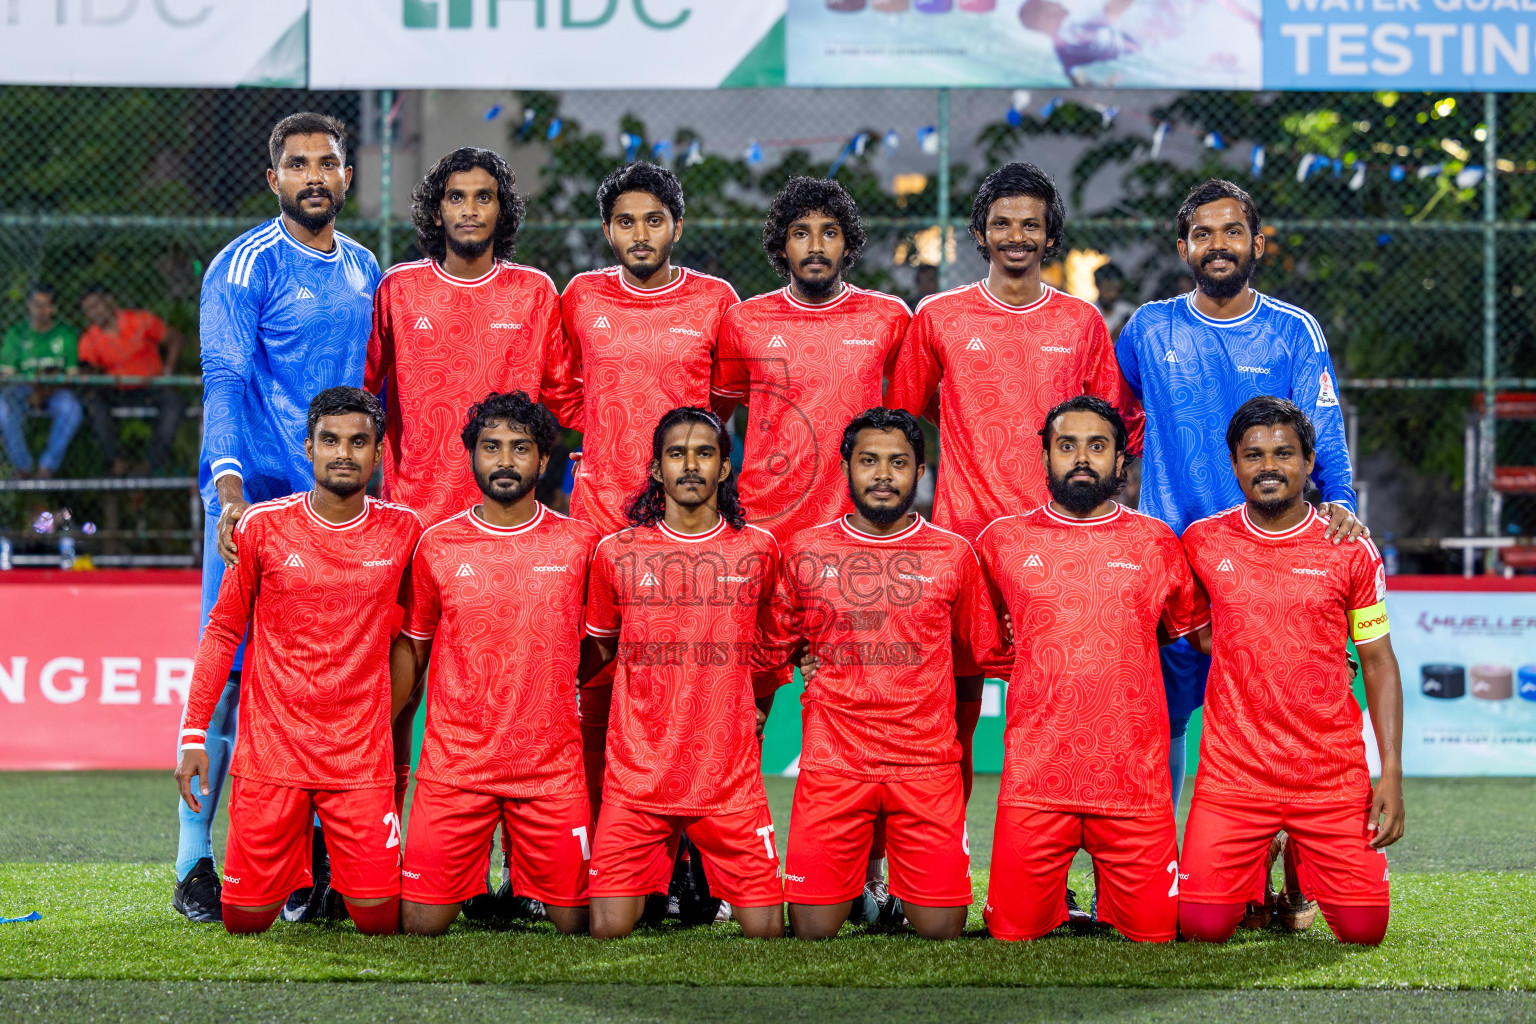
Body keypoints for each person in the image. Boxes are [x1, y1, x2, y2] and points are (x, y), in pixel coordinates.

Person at [1113, 179, 1366, 924]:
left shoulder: (1293, 332)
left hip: (1265, 569)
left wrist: (1342, 507)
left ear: (1258, 243)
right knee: (1158, 731)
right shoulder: (1147, 331)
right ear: (1182, 247)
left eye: (1233, 232)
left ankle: (1277, 885)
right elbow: (1121, 417)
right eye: (1203, 233)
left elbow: (1324, 435)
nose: (1217, 245)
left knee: (1275, 725)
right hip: (1167, 568)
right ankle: (1153, 880)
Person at [175, 111, 382, 925]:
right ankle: (195, 862)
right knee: (226, 680)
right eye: (297, 164)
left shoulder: (366, 269)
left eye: (327, 162)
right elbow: (223, 382)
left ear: (346, 175)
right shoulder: (243, 265)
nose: (314, 176)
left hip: (338, 514)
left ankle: (306, 867)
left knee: (332, 682)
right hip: (255, 507)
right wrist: (227, 491)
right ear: (274, 180)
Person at [173, 387, 422, 936]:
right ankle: (293, 871)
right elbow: (221, 633)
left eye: (358, 442)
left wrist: (381, 720)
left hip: (357, 764)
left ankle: (326, 868)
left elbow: (415, 639)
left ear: (378, 454)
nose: (343, 453)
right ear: (307, 447)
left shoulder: (406, 532)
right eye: (330, 440)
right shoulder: (261, 526)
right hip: (271, 759)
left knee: (380, 921)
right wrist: (193, 736)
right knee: (244, 921)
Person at [975, 396, 1208, 942]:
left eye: (1097, 446)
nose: (1082, 458)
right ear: (1047, 457)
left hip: (1134, 786)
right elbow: (965, 633)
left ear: (1121, 462)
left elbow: (1204, 635)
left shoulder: (1157, 543)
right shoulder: (1000, 543)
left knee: (1155, 935)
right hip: (1036, 783)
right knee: (1012, 934)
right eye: (1067, 446)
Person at [549, 162, 738, 835]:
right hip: (600, 518)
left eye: (653, 220)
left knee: (688, 688)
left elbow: (726, 401)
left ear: (676, 227)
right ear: (607, 230)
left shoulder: (717, 300)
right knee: (594, 682)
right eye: (625, 221)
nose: (640, 233)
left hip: (688, 525)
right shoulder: (579, 296)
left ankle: (690, 854)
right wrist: (603, 431)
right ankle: (604, 840)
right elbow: (560, 386)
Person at [1178, 397, 1403, 946]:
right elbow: (1204, 632)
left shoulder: (1347, 547)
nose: (1268, 466)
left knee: (1363, 930)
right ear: (1234, 465)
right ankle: (1259, 863)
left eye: (1284, 453)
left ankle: (1299, 857)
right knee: (1202, 926)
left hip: (1329, 775)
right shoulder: (1204, 543)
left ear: (1307, 462)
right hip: (1236, 774)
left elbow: (1377, 658)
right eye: (1253, 455)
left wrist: (1391, 771)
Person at [772, 408, 1003, 941]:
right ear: (846, 468)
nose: (883, 475)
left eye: (898, 463)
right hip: (834, 761)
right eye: (869, 461)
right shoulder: (806, 551)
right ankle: (854, 881)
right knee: (811, 930)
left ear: (920, 472)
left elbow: (987, 648)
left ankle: (897, 884)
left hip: (925, 764)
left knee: (942, 929)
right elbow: (771, 643)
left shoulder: (954, 554)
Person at [391, 391, 598, 936]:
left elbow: (602, 642)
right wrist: (379, 724)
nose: (505, 461)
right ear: (472, 457)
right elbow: (413, 648)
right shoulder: (437, 544)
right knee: (418, 926)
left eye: (520, 448)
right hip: (455, 769)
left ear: (544, 460)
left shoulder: (580, 544)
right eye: (492, 448)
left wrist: (553, 683)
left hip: (550, 771)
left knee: (580, 926)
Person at [579, 406, 790, 940]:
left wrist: (760, 705)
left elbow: (772, 643)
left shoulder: (759, 550)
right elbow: (599, 648)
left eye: (704, 454)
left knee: (767, 932)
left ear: (724, 468)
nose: (690, 465)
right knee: (606, 930)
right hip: (636, 780)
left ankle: (696, 878)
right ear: (656, 470)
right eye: (677, 454)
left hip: (729, 781)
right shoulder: (616, 553)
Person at [886, 161, 1142, 546]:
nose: (1016, 236)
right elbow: (898, 418)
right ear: (980, 232)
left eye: (1031, 225)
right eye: (1002, 223)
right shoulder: (938, 315)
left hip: (1059, 531)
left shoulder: (1081, 320)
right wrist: (957, 420)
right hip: (965, 531)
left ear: (1050, 237)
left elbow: (1119, 424)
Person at [365, 147, 564, 527]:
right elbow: (363, 387)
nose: (469, 209)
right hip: (414, 510)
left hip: (505, 508)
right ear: (437, 212)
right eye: (456, 197)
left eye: (483, 197)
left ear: (500, 212)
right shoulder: (398, 288)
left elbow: (566, 395)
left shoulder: (535, 292)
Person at [712, 176, 911, 542]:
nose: (816, 246)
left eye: (830, 233)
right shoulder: (744, 320)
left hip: (854, 521)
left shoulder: (889, 317)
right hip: (765, 521)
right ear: (782, 245)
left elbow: (909, 409)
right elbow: (717, 410)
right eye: (801, 233)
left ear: (847, 243)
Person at [77, 284, 186, 476]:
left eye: (96, 305)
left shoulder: (140, 320)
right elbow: (87, 368)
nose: (92, 313)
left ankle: (151, 464)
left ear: (109, 302)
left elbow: (175, 338)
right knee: (92, 400)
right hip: (117, 389)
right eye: (87, 310)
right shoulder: (89, 338)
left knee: (174, 402)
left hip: (150, 386)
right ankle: (117, 461)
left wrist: (167, 371)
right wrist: (89, 373)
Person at [0, 282, 82, 480]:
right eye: (36, 304)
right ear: (29, 306)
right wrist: (31, 387)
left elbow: (71, 376)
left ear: (54, 308)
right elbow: (7, 376)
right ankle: (23, 467)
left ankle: (47, 467)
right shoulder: (16, 334)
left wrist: (44, 389)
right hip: (22, 389)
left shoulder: (66, 334)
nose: (40, 310)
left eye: (46, 305)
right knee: (3, 407)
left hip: (54, 390)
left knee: (72, 409)